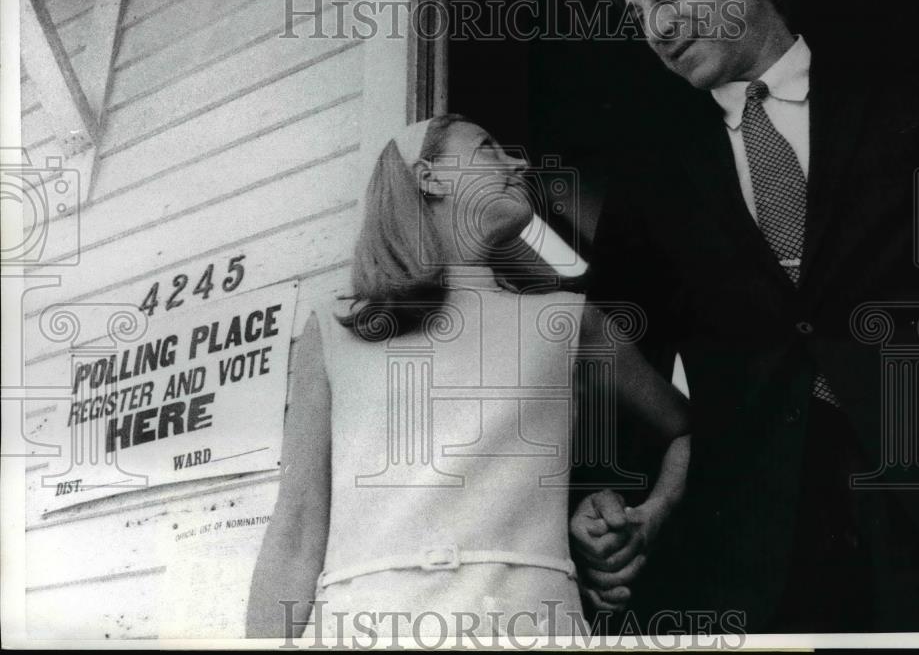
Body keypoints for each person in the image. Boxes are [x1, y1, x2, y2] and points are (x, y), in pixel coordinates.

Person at [570, 0, 919, 633]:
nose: (656, 28)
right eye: (637, 17)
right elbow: (614, 347)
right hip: (756, 538)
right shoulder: (652, 174)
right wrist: (606, 494)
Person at [245, 114, 691, 640]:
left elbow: (686, 430)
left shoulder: (569, 320)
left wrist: (651, 516)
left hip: (531, 621)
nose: (518, 163)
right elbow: (296, 528)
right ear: (428, 177)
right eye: (488, 149)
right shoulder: (335, 330)